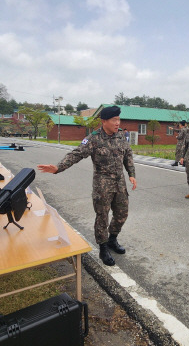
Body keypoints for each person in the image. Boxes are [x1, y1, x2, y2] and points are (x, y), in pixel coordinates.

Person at [37, 106, 136, 266]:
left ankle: (112, 239)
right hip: (102, 186)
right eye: (114, 120)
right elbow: (76, 154)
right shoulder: (94, 139)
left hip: (120, 184)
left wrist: (131, 174)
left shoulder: (120, 137)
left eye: (119, 119)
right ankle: (103, 247)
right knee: (102, 217)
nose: (118, 123)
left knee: (122, 214)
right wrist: (58, 167)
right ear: (104, 121)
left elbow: (128, 155)